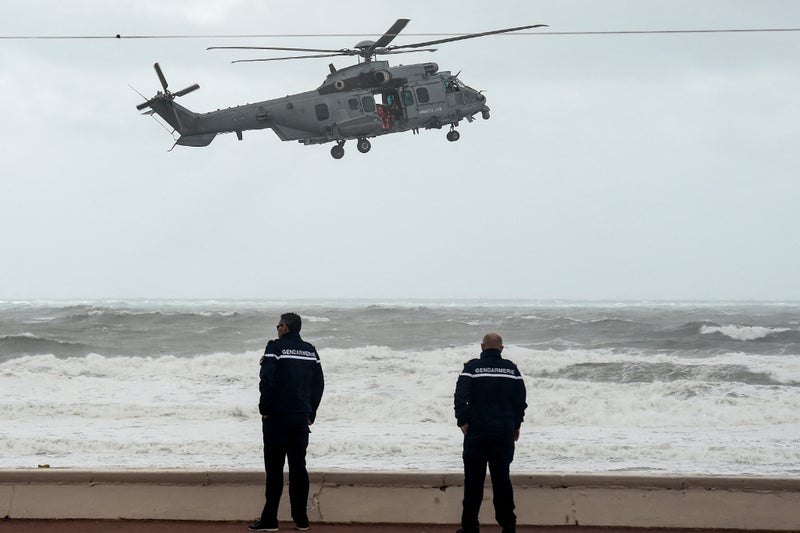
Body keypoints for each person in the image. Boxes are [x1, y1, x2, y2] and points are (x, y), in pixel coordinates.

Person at [250, 313, 324, 532]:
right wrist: (311, 413)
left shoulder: (275, 348)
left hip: (277, 418)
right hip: (301, 417)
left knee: (274, 470)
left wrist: (265, 410)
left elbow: (267, 381)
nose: (277, 328)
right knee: (298, 468)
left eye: (279, 324)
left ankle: (270, 520)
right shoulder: (311, 350)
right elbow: (318, 385)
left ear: (285, 327)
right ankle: (301, 520)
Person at [454, 333, 527, 533]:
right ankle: (508, 524)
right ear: (501, 348)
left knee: (473, 481)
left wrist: (463, 421)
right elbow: (520, 400)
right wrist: (516, 425)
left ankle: (469, 526)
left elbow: (460, 396)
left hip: (477, 433)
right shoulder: (512, 369)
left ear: (482, 347)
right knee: (502, 479)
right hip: (503, 433)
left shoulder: (471, 368)